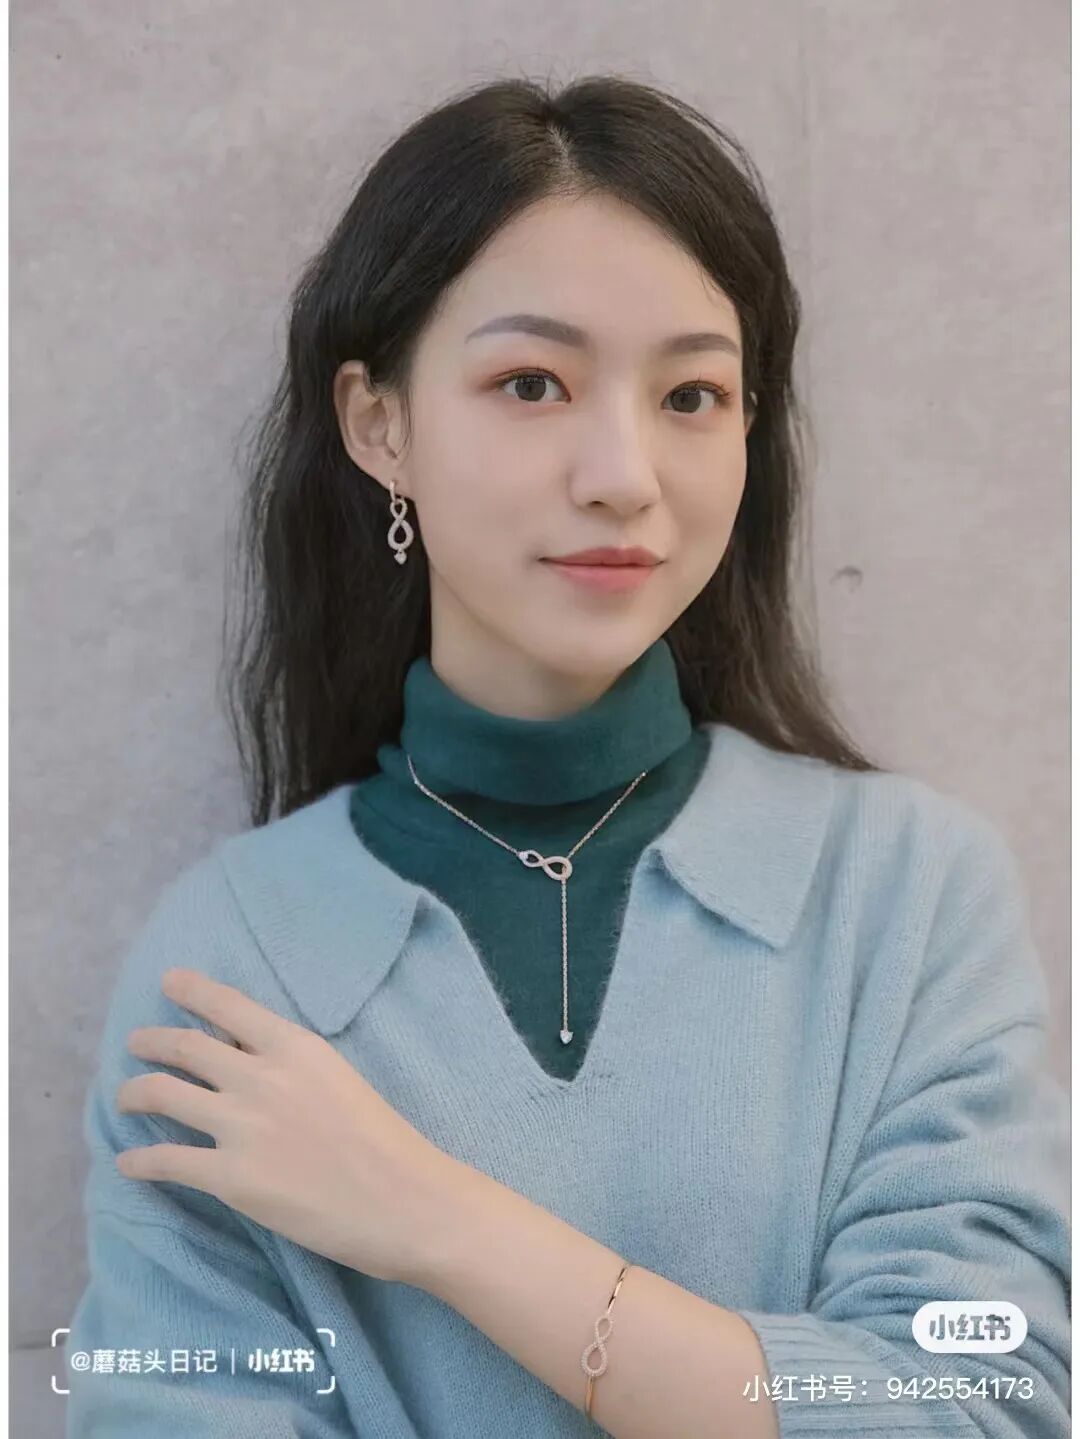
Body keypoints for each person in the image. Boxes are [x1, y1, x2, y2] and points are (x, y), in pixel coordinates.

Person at [63, 73, 1069, 1438]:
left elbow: (984, 1402)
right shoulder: (229, 964)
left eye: (693, 394)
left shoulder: (907, 895)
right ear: (379, 425)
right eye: (531, 383)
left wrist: (438, 1220)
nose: (624, 475)